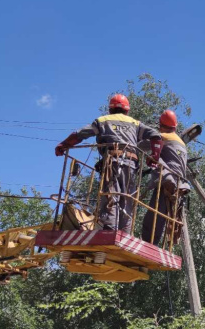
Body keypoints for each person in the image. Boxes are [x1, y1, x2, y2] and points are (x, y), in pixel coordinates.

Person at [55, 94, 162, 232]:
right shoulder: (135, 123)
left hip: (112, 163)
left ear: (110, 109)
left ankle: (109, 232)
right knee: (127, 200)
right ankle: (124, 233)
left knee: (110, 197)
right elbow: (157, 136)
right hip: (131, 166)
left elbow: (79, 134)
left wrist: (63, 145)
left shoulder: (103, 120)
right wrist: (155, 156)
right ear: (127, 110)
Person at [141, 110, 191, 246]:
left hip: (168, 182)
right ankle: (153, 244)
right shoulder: (182, 143)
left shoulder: (162, 137)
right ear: (175, 126)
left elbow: (140, 146)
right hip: (178, 185)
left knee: (153, 218)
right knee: (161, 218)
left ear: (161, 125)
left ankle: (148, 244)